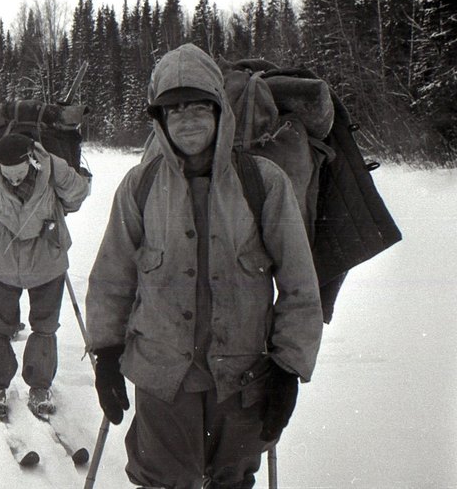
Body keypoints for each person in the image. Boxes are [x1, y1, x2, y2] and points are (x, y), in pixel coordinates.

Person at [85, 43, 323, 489]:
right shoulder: (140, 185)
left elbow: (298, 284)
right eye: (174, 110)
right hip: (161, 378)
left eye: (199, 106)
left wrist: (289, 369)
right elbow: (112, 277)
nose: (188, 119)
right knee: (161, 480)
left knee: (231, 481)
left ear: (219, 111)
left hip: (242, 378)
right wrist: (107, 355)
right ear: (160, 121)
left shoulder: (264, 182)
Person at [0, 133, 89, 419]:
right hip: (2, 263)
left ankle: (40, 386)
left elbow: (78, 195)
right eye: (9, 175)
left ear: (31, 160)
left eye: (20, 174)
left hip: (46, 262)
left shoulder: (52, 167)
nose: (15, 180)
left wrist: (62, 174)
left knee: (44, 326)